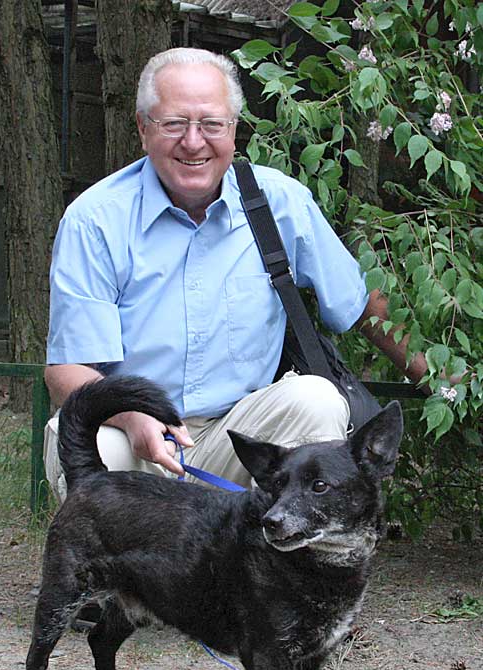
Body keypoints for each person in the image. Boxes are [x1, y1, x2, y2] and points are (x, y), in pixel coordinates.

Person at [43, 47, 427, 503]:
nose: (193, 142)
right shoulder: (95, 219)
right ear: (143, 128)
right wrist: (127, 415)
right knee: (84, 439)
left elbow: (361, 305)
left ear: (233, 129)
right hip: (136, 436)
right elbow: (66, 370)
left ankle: (294, 547)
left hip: (245, 436)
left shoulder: (280, 203)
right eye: (174, 123)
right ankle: (118, 551)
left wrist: (447, 385)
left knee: (317, 399)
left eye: (211, 124)